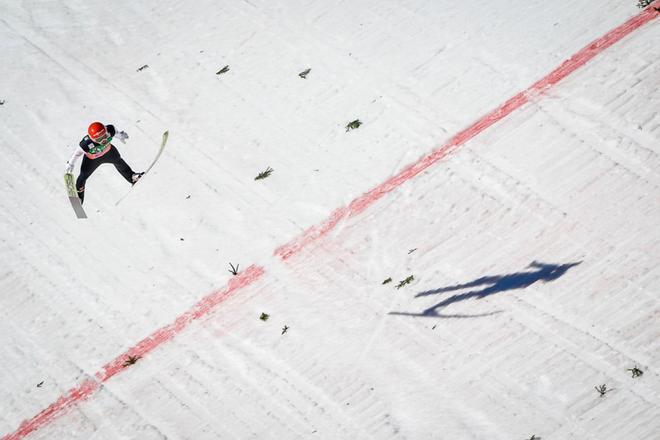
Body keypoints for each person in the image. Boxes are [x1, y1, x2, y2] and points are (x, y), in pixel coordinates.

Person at [65, 122, 143, 204]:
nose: (103, 140)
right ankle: (78, 197)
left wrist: (120, 136)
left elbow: (116, 133)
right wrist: (70, 163)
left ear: (106, 131)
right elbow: (77, 153)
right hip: (92, 160)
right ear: (92, 138)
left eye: (105, 136)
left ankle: (132, 177)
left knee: (120, 162)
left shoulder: (110, 129)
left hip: (109, 153)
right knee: (83, 177)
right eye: (99, 139)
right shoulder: (86, 143)